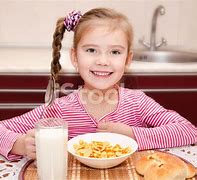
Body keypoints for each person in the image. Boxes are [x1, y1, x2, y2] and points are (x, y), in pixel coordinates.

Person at [0, 8, 196, 161]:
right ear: (75, 57)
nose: (103, 60)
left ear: (127, 60)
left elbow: (188, 131)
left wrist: (133, 134)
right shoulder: (58, 110)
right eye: (92, 50)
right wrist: (18, 144)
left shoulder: (137, 103)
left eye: (115, 52)